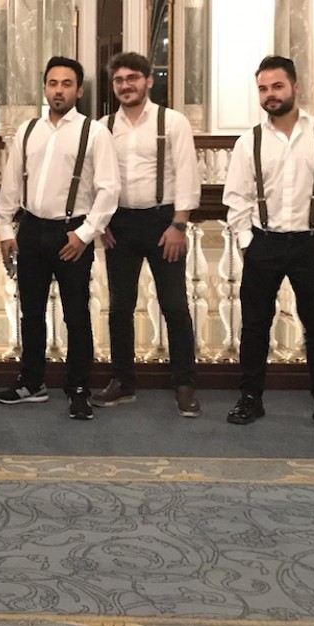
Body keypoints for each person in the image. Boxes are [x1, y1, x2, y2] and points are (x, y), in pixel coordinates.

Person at [221, 55, 314, 435]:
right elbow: (237, 198)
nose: (270, 94)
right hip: (263, 243)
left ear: (295, 87)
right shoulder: (249, 141)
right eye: (263, 88)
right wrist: (247, 243)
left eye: (277, 86)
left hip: (312, 243)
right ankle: (250, 398)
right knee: (254, 326)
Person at [0, 56, 118, 421]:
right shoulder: (28, 130)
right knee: (31, 311)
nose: (58, 90)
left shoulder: (94, 132)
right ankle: (32, 381)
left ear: (78, 90)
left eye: (66, 84)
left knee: (76, 314)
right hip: (31, 230)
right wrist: (6, 229)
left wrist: (85, 234)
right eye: (52, 83)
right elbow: (11, 183)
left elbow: (109, 190)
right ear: (45, 88)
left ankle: (78, 387)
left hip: (71, 232)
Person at [91, 51, 202, 417]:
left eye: (132, 78)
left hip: (163, 223)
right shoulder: (104, 126)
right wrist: (102, 222)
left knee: (174, 305)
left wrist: (179, 224)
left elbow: (187, 175)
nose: (126, 85)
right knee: (119, 306)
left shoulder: (173, 122)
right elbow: (97, 178)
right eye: (119, 80)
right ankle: (123, 381)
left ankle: (183, 383)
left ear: (148, 81)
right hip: (119, 224)